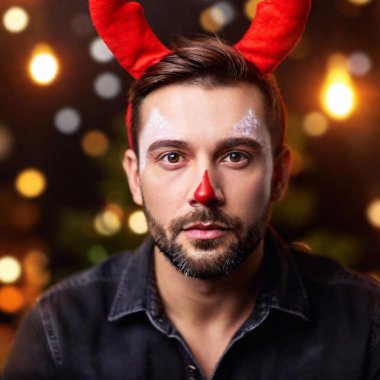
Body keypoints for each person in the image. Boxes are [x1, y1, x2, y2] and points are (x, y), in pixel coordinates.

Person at [4, 0, 380, 379]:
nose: (204, 192)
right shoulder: (59, 333)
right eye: (172, 157)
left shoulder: (367, 325)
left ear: (279, 175)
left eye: (235, 156)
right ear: (135, 177)